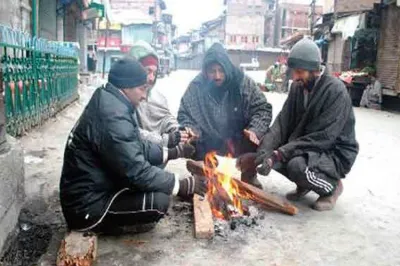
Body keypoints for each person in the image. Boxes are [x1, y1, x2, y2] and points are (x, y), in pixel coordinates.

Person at [60, 57, 207, 234]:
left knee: (157, 178)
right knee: (158, 202)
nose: (145, 96)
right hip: (86, 208)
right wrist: (181, 185)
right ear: (126, 87)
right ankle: (106, 226)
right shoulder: (112, 116)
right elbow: (137, 171)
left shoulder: (111, 101)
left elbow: (136, 145)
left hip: (96, 188)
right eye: (142, 89)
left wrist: (174, 151)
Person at [239, 38, 359, 211]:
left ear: (315, 71)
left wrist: (279, 154)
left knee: (295, 165)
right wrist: (264, 151)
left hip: (333, 152)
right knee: (269, 154)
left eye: (300, 72)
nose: (295, 77)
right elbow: (283, 122)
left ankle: (332, 187)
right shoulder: (297, 87)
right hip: (306, 147)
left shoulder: (335, 91)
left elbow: (323, 138)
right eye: (293, 71)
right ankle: (305, 183)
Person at [178, 43, 273, 189]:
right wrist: (192, 130)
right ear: (205, 71)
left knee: (261, 136)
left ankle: (249, 174)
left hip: (238, 138)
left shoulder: (242, 82)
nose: (217, 76)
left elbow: (262, 108)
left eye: (221, 71)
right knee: (190, 140)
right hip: (209, 138)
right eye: (212, 71)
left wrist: (255, 129)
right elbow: (185, 113)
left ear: (227, 68)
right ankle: (203, 173)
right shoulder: (197, 86)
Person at [129, 41, 195, 150]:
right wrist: (166, 141)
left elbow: (165, 118)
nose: (151, 78)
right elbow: (130, 133)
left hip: (152, 158)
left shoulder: (156, 96)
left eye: (154, 73)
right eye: (147, 71)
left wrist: (177, 130)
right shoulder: (121, 96)